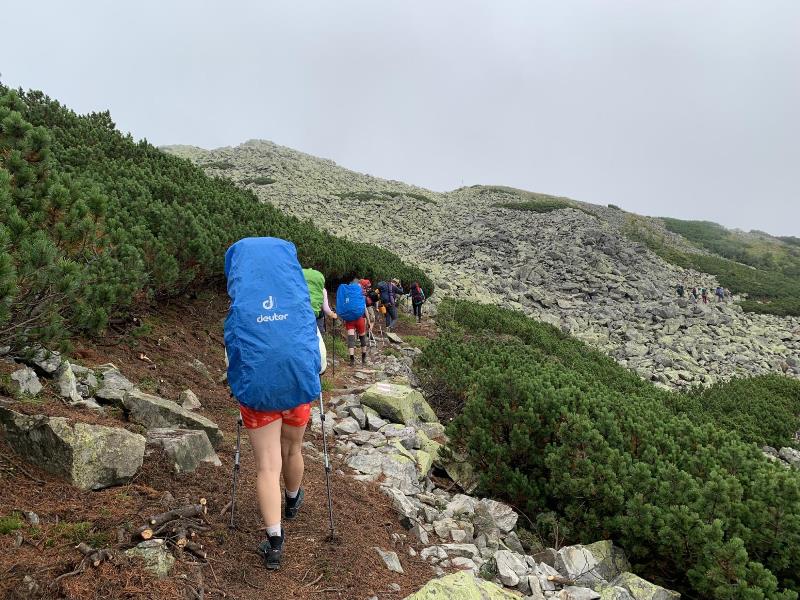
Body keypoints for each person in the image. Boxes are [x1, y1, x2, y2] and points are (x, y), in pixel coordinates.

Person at [224, 237, 325, 570]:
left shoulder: (241, 311)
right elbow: (319, 360)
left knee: (267, 466)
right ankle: (293, 501)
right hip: (298, 389)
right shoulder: (298, 305)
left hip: (258, 396)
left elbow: (232, 361)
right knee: (293, 450)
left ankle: (275, 543)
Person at [336, 276, 368, 367]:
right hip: (360, 318)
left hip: (349, 319)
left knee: (351, 339)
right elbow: (364, 308)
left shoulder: (347, 292)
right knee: (362, 337)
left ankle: (352, 360)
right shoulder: (360, 293)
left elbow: (344, 304)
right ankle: (363, 358)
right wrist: (368, 320)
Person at [303, 267, 337, 332]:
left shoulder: (299, 288)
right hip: (314, 316)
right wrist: (333, 315)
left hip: (299, 315)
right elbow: (326, 309)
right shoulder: (322, 290)